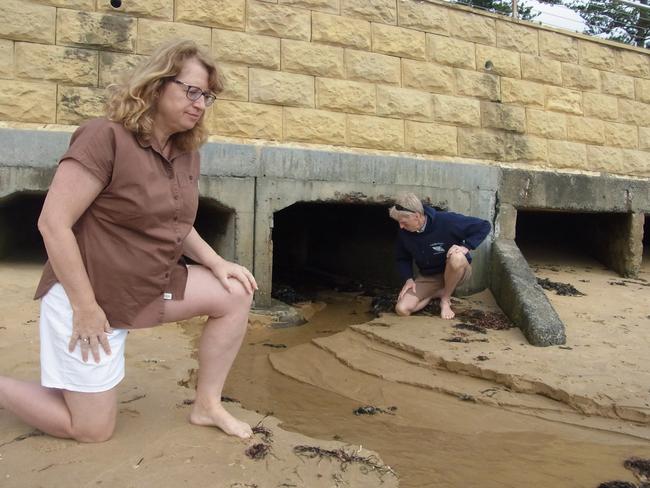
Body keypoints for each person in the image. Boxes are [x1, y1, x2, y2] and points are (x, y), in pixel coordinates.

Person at [0, 40, 257, 442]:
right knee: (91, 429)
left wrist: (217, 263)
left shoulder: (186, 151)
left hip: (149, 285)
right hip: (90, 296)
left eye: (207, 96)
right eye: (191, 90)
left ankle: (207, 405)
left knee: (236, 291)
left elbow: (173, 223)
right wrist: (84, 308)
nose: (200, 103)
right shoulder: (104, 137)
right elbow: (52, 223)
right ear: (156, 85)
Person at [389, 193, 491, 320]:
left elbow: (484, 225)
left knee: (457, 257)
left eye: (403, 222)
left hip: (456, 271)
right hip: (430, 277)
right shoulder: (404, 232)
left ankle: (445, 299)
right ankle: (435, 294)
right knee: (402, 309)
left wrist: (465, 247)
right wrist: (409, 279)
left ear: (417, 216)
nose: (401, 226)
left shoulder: (447, 221)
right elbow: (402, 257)